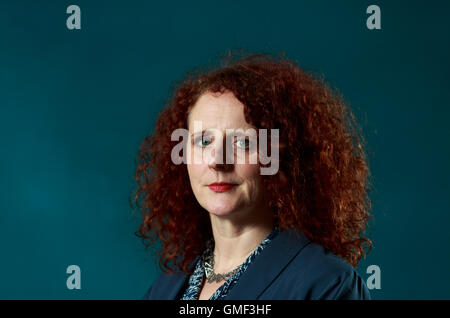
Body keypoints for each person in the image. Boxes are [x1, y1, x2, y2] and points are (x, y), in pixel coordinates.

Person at [133, 53, 373, 300]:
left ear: (280, 157)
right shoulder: (166, 287)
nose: (217, 160)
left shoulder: (327, 284)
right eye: (203, 141)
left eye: (243, 142)